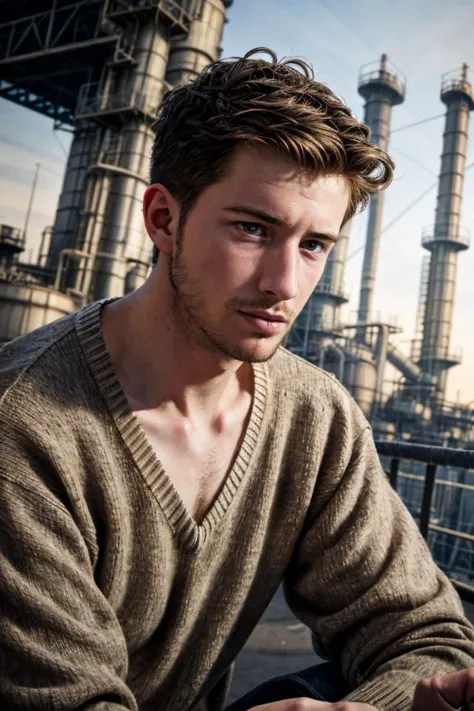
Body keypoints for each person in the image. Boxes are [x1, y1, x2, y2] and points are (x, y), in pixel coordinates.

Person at [0, 48, 473, 711]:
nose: (285, 283)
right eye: (253, 228)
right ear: (163, 219)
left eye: (314, 245)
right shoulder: (24, 433)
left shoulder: (317, 417)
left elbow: (429, 635)